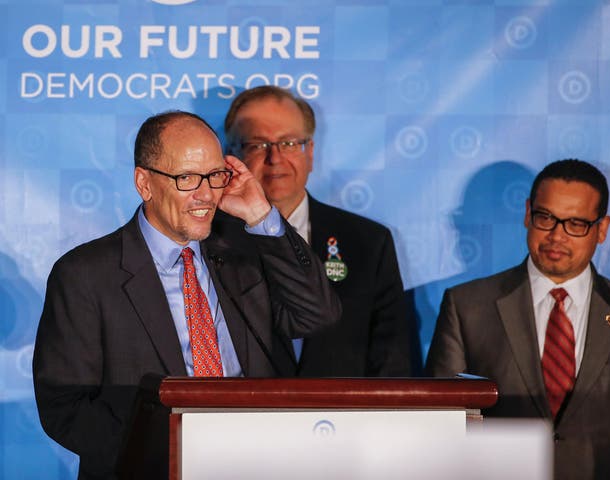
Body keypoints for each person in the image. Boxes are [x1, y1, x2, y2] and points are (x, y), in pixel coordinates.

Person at [32, 111, 341, 479]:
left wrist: (261, 215)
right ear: (144, 183)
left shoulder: (246, 247)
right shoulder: (85, 275)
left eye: (214, 175)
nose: (207, 194)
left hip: (260, 462)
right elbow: (65, 407)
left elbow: (317, 314)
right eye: (187, 178)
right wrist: (174, 451)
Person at [425, 159, 610, 479]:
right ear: (528, 213)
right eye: (546, 218)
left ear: (602, 229)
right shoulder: (466, 307)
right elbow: (442, 428)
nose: (557, 235)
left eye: (576, 224)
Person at [224, 85, 413, 376]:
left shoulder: (369, 243)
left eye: (289, 143)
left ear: (310, 152)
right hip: (241, 417)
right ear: (232, 157)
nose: (275, 158)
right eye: (257, 145)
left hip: (347, 418)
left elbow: (392, 362)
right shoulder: (210, 243)